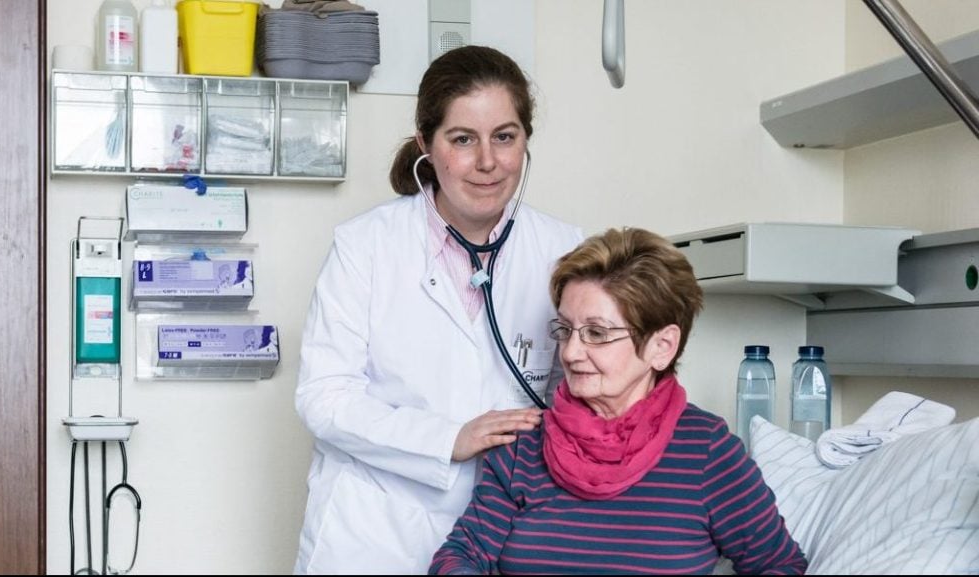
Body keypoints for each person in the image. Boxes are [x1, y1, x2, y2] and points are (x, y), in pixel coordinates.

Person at [293, 45, 584, 575]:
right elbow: (323, 397)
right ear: (426, 144)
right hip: (373, 531)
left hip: (508, 530)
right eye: (462, 140)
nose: (488, 162)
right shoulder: (366, 246)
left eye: (505, 136)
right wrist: (449, 438)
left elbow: (587, 386)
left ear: (525, 140)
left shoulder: (564, 250)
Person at [430, 228, 807, 575]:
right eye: (565, 330)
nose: (571, 352)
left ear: (662, 346)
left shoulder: (707, 452)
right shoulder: (522, 447)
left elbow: (781, 565)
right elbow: (460, 556)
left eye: (596, 333)